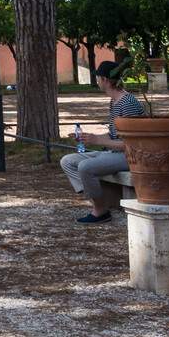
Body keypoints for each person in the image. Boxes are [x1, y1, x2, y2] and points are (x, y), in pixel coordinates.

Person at [58, 59, 147, 224]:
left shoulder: (127, 103)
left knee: (85, 167)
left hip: (129, 155)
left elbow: (132, 144)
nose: (97, 81)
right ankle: (96, 201)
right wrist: (90, 137)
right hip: (114, 152)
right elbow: (115, 136)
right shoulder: (114, 101)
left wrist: (97, 140)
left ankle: (100, 211)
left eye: (98, 78)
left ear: (105, 80)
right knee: (68, 161)